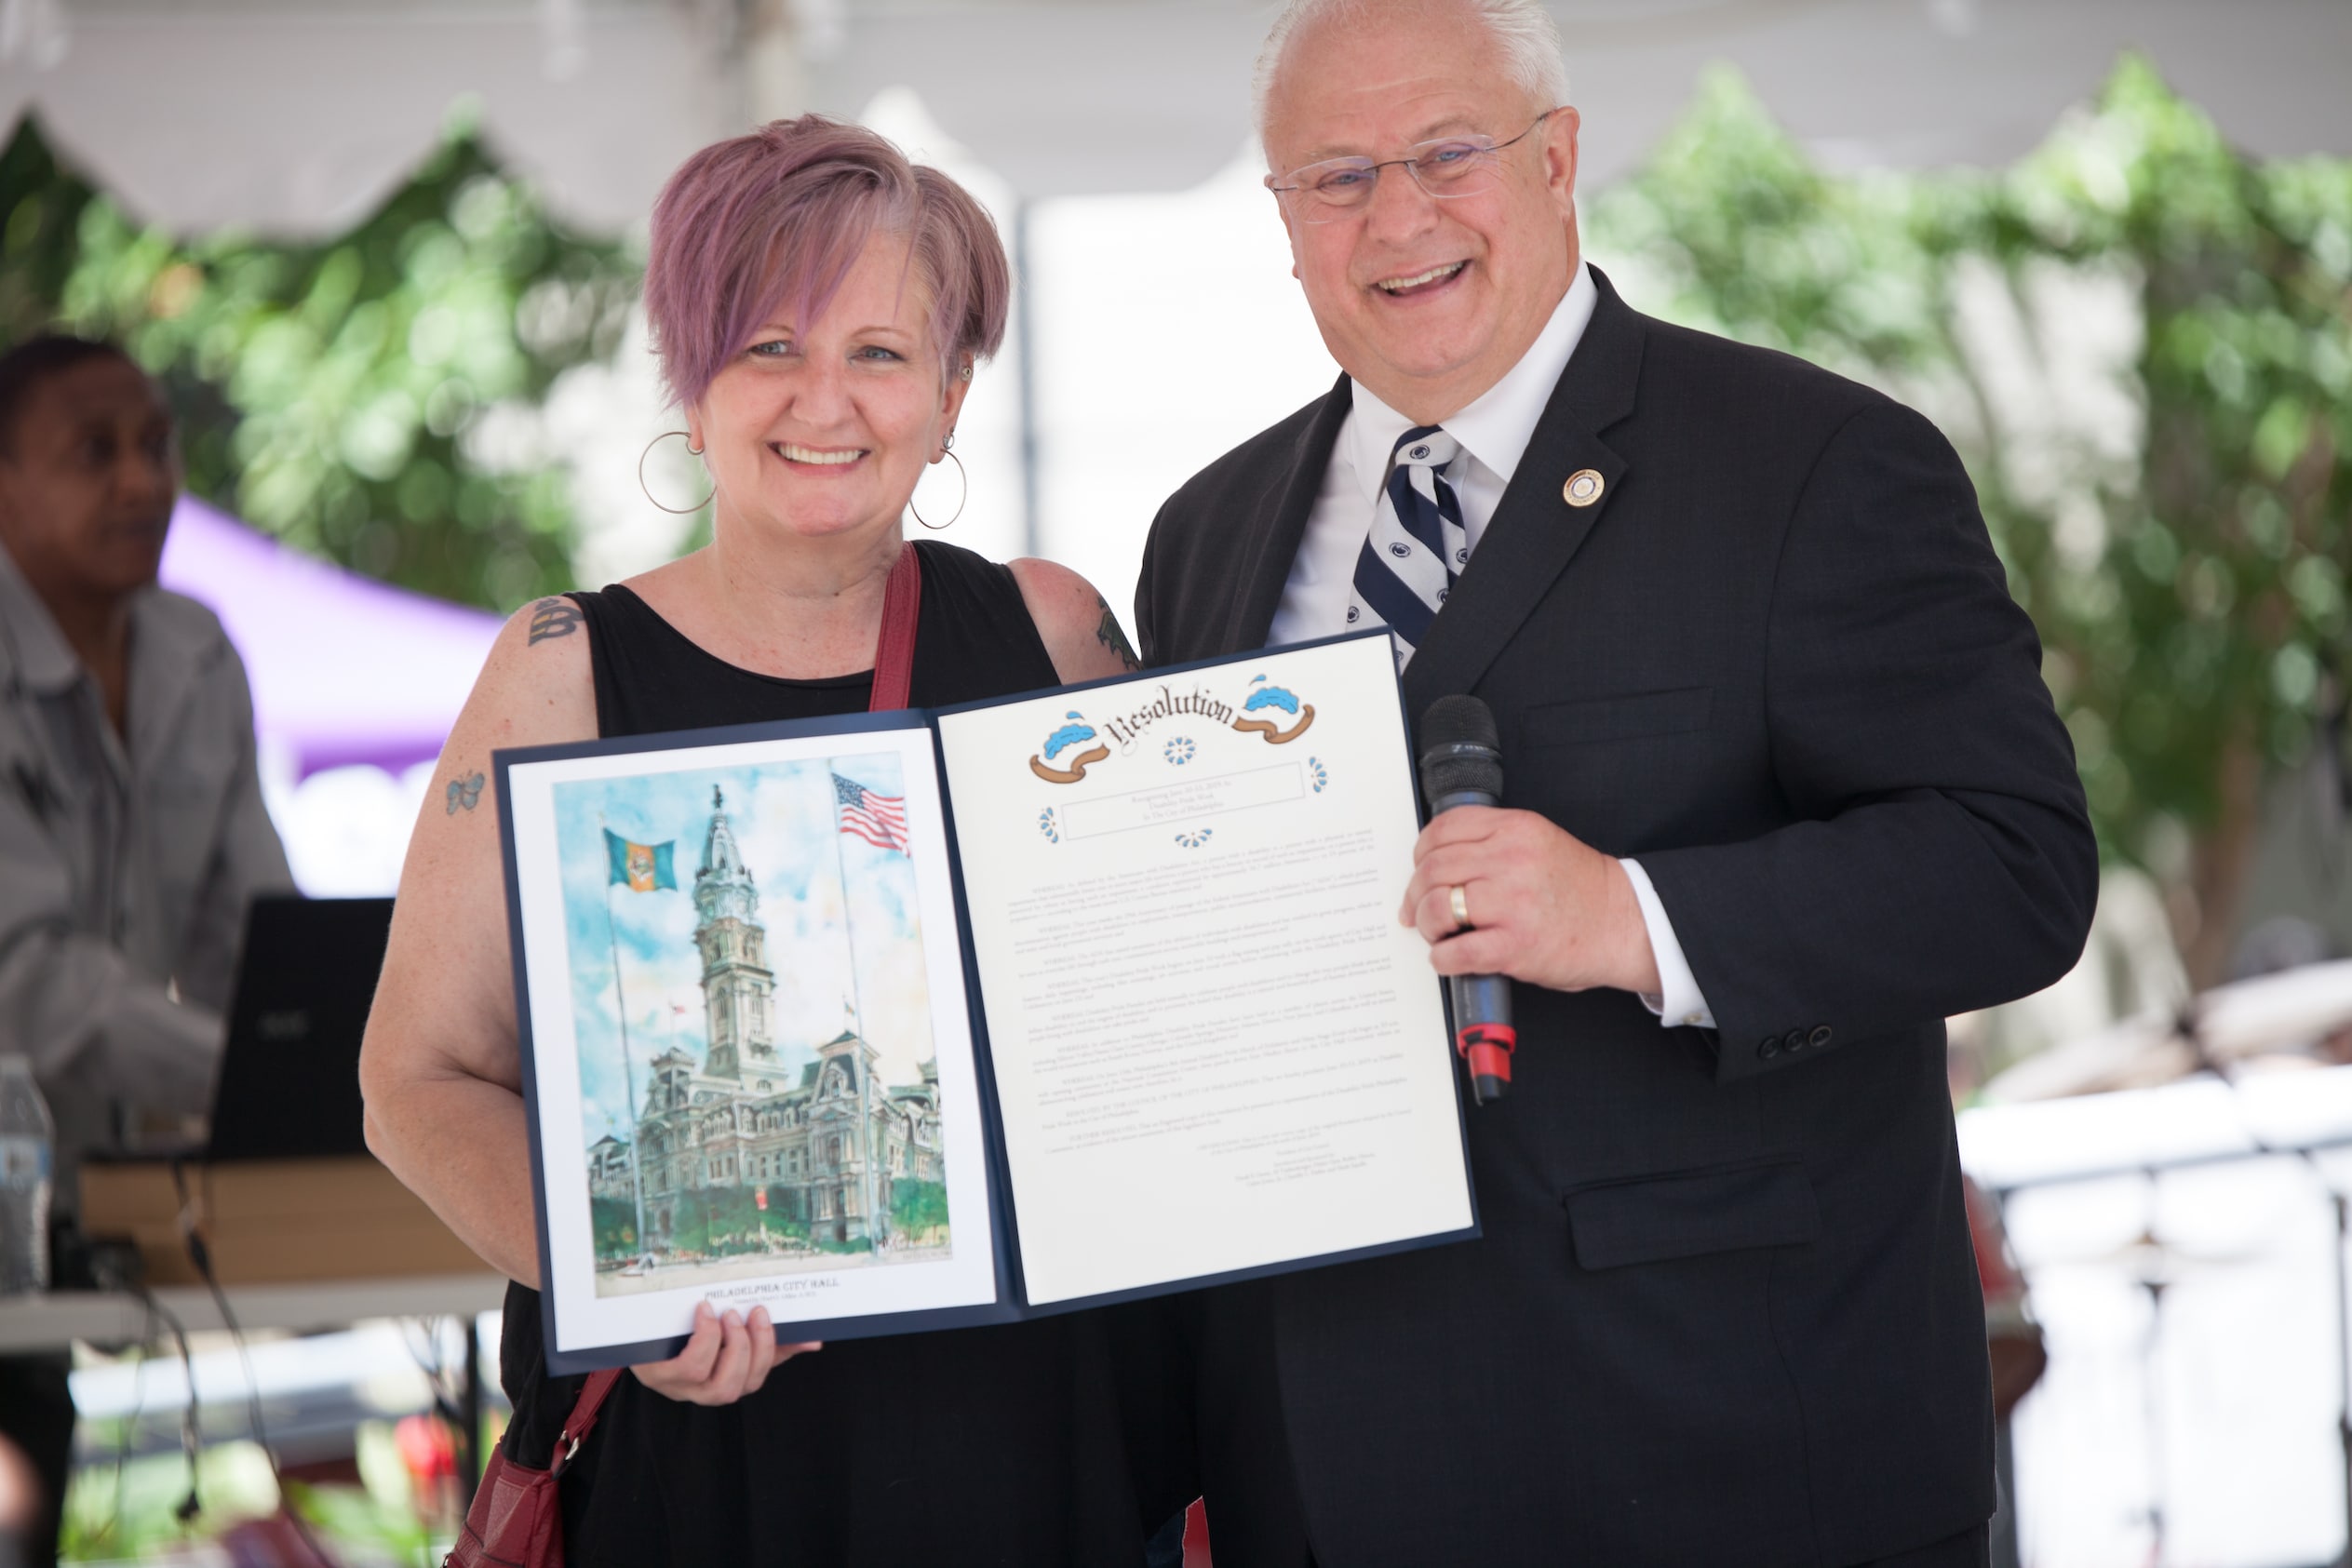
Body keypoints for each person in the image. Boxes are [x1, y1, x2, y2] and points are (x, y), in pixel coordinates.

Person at [1132, 2, 2099, 1564]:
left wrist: (1631, 917)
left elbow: (2016, 869)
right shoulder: (1206, 530)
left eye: (1449, 152)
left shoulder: (1814, 463)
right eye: (1337, 176)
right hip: (1323, 1466)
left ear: (1560, 158)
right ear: (1284, 219)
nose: (1399, 214)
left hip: (1729, 1446)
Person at [359, 117, 1159, 1566]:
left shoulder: (1051, 633)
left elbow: (1159, 1007)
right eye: (769, 346)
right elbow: (412, 1080)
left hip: (1025, 1434)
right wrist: (624, 1289)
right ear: (692, 375)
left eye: (880, 351)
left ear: (954, 390)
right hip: (704, 1458)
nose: (824, 401)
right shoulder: (559, 666)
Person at [0, 334, 292, 1568]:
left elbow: (264, 932)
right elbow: (32, 978)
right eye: (94, 451)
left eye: (158, 445)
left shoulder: (195, 648)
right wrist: (250, 1071)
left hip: (87, 1223)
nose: (142, 481)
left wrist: (320, 1063)